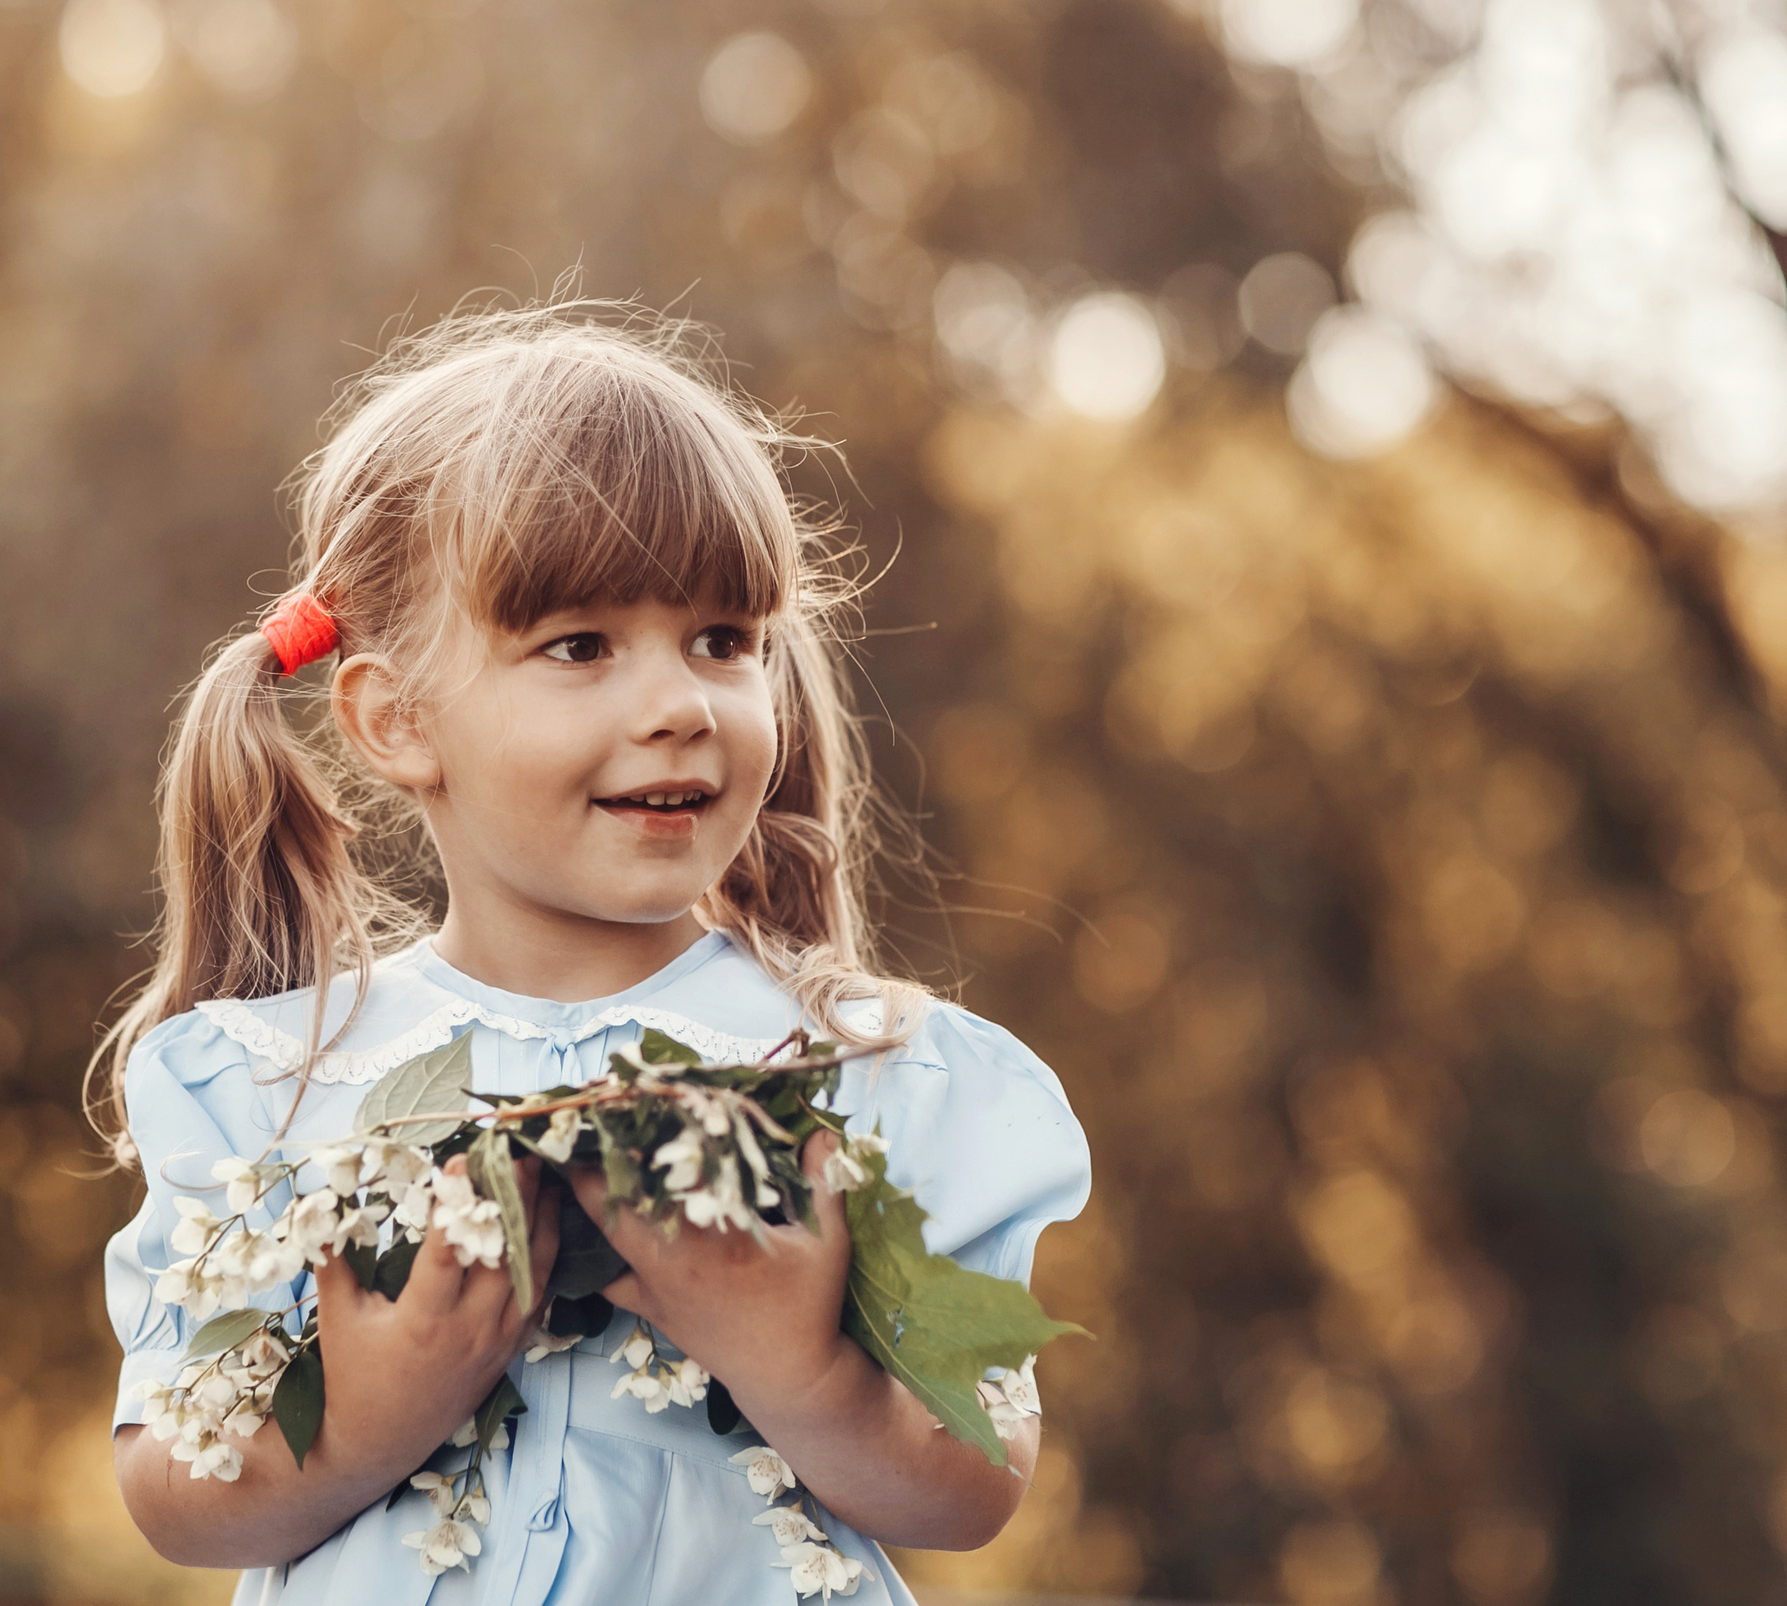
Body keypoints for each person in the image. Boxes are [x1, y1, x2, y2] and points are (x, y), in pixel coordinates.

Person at [93, 302, 1090, 1604]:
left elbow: (977, 1482)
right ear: (395, 718)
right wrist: (363, 1422)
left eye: (723, 640)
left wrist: (797, 1362)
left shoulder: (864, 1079)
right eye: (579, 645)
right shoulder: (272, 1082)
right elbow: (173, 1490)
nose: (680, 704)